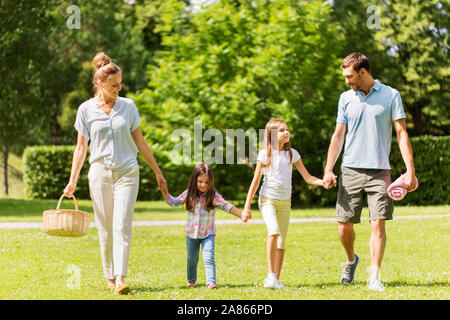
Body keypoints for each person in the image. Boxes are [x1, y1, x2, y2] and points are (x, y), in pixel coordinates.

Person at [63, 52, 167, 295]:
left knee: (122, 225)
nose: (118, 89)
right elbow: (81, 148)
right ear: (100, 83)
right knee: (105, 227)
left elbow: (140, 142)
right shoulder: (86, 110)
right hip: (99, 174)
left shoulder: (128, 107)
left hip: (127, 173)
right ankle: (109, 277)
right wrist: (72, 181)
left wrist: (158, 172)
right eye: (113, 85)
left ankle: (120, 279)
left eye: (120, 85)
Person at [323, 52, 417, 291]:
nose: (347, 81)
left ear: (363, 72)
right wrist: (328, 169)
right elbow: (338, 135)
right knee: (344, 226)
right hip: (350, 169)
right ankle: (351, 260)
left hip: (379, 171)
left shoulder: (391, 95)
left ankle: (374, 276)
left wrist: (410, 171)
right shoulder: (346, 98)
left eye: (349, 76)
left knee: (378, 223)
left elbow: (401, 133)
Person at [242, 119, 323, 289]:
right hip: (268, 200)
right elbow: (256, 181)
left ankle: (275, 280)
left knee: (282, 241)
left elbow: (308, 178)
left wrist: (323, 182)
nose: (286, 132)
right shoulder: (265, 154)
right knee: (273, 231)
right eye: (281, 130)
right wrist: (247, 206)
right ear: (272, 134)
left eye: (287, 129)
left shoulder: (293, 154)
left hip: (285, 203)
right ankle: (270, 276)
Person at [161, 163, 245, 289]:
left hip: (208, 234)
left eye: (207, 182)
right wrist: (165, 192)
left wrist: (241, 214)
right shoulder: (189, 193)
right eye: (200, 181)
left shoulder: (214, 196)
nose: (203, 185)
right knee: (191, 260)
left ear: (211, 182)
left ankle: (211, 282)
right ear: (194, 180)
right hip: (191, 234)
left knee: (209, 257)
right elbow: (175, 202)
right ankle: (192, 281)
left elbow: (227, 206)